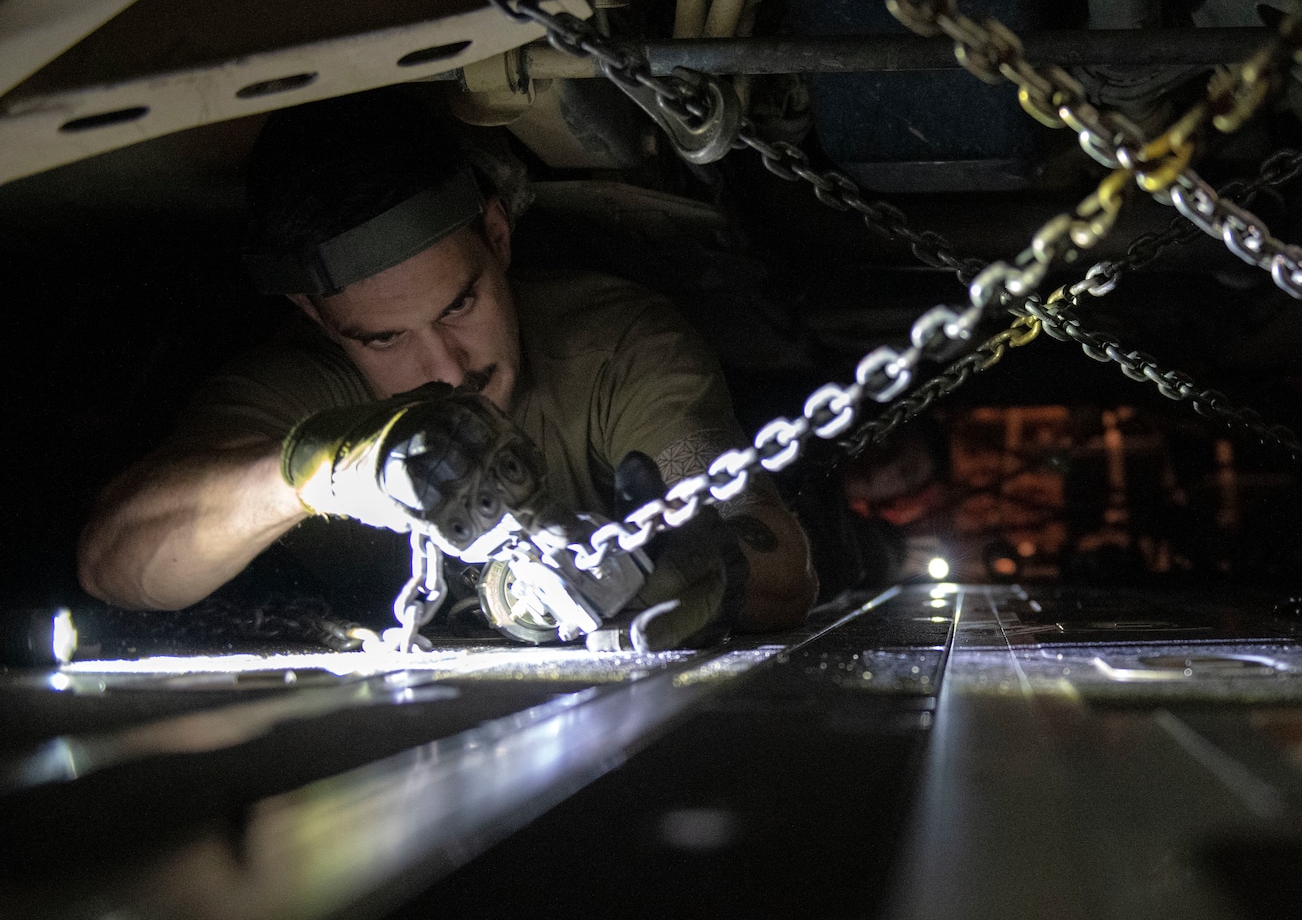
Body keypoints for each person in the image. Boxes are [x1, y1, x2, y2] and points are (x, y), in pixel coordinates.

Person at [77, 90, 816, 645]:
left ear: (497, 235)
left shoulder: (623, 352)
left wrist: (702, 570)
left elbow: (764, 540)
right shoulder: (300, 394)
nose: (446, 366)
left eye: (459, 305)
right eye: (384, 339)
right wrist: (323, 469)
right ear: (315, 316)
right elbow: (117, 561)